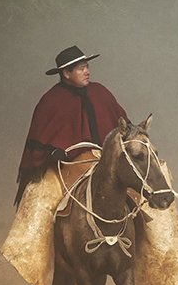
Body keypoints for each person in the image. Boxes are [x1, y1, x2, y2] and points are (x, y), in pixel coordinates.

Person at [15, 46, 127, 206]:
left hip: (109, 162)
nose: (87, 72)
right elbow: (40, 140)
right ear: (66, 74)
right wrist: (52, 151)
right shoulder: (51, 101)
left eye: (87, 67)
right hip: (66, 168)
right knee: (39, 202)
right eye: (81, 69)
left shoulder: (100, 92)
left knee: (142, 194)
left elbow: (122, 125)